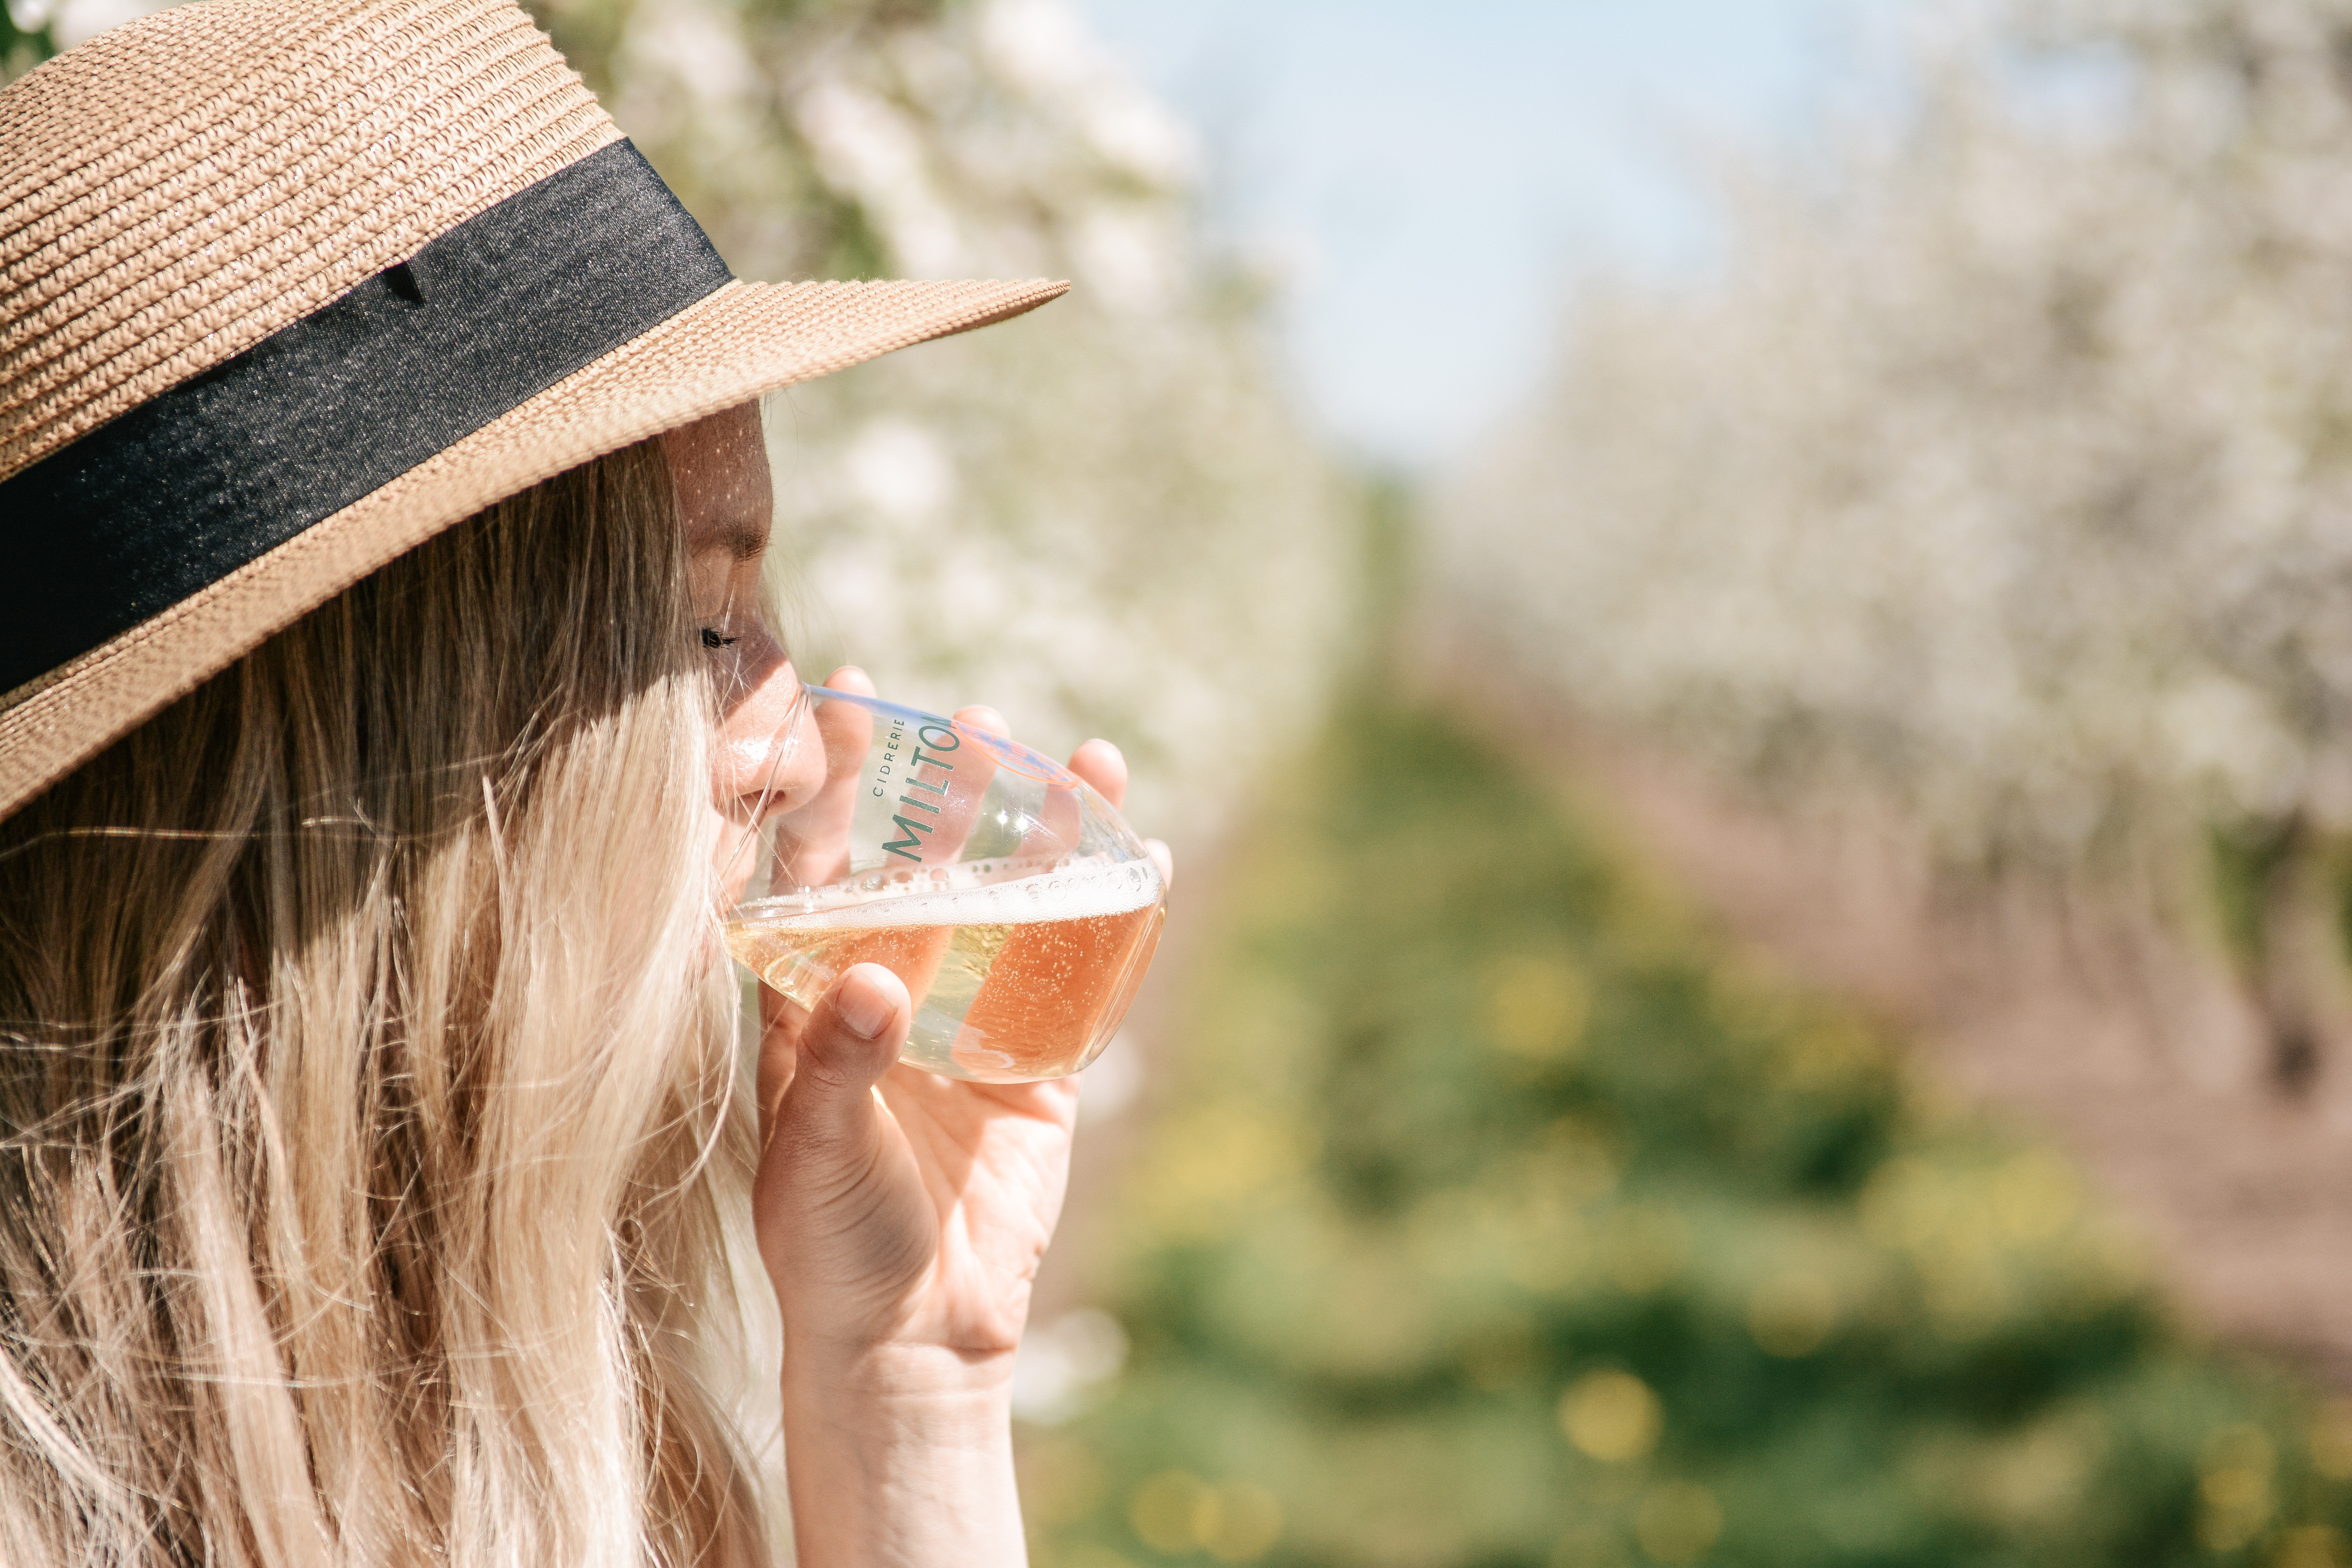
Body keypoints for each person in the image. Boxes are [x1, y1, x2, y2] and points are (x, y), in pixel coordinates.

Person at [0, 2, 1155, 1563]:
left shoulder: (551, 1447)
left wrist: (908, 1394)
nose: (802, 746)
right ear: (387, 760)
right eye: (699, 619)